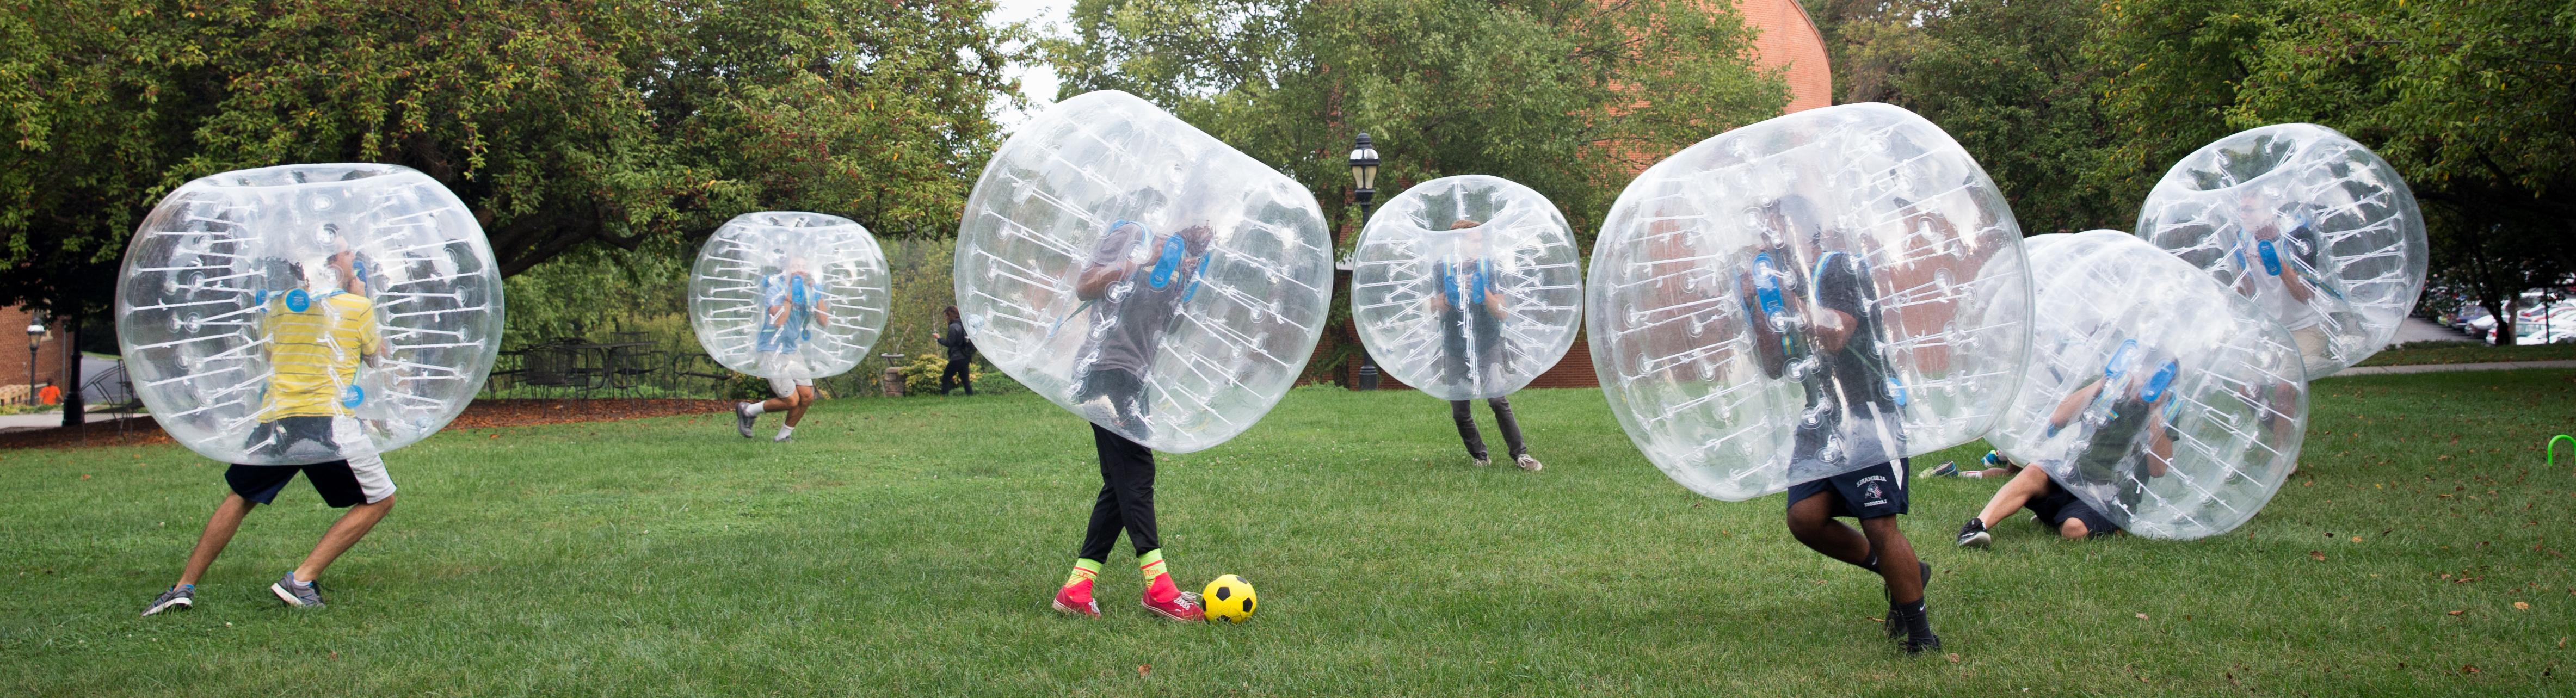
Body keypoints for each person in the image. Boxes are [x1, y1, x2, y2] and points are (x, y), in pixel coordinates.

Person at [145, 240, 392, 615]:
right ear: (329, 263)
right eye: (346, 253)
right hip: (328, 421)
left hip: (276, 417)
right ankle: (301, 579)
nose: (354, 257)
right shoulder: (357, 307)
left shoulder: (280, 306)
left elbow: (270, 356)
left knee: (239, 497)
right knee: (381, 499)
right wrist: (358, 294)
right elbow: (377, 358)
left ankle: (183, 586)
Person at [1754, 197, 1940, 654]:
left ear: (1800, 227)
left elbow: (1837, 335)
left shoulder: (1838, 269)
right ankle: (1906, 572)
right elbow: (1775, 365)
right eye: (1761, 227)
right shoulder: (1778, 287)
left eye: (1771, 224)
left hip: (1866, 411)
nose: (1764, 235)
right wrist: (1759, 308)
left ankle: (1920, 636)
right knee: (1805, 518)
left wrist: (1790, 296)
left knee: (1879, 523)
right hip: (1822, 414)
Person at [1049, 206, 1214, 622]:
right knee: (1137, 473)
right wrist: (1143, 260)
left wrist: (1183, 288)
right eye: (1205, 219)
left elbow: (1161, 328)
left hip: (1135, 378)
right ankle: (1160, 590)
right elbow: (1086, 286)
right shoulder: (1130, 235)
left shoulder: (1180, 259)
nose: (1208, 230)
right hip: (1105, 372)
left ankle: (1076, 589)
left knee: (1120, 482)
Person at [1957, 342, 2179, 547]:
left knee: (2074, 529)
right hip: (2073, 476)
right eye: (2142, 374)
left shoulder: (2165, 412)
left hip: (2112, 495)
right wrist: (2104, 383)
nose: (2142, 384)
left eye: (2154, 381)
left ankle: (2083, 519)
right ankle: (1976, 527)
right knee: (2035, 470)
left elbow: (2158, 470)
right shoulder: (2108, 388)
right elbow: (2058, 419)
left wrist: (2155, 413)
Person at [1429, 219, 1540, 472]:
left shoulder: (1489, 267)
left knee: (1497, 400)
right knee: (1460, 411)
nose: (1479, 245)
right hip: (1454, 345)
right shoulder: (1441, 269)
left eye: (1480, 240)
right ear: (1457, 243)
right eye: (1474, 240)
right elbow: (1434, 310)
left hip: (1489, 342)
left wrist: (1482, 290)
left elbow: (1502, 313)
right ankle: (1480, 455)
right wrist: (1449, 295)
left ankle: (1521, 454)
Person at [734, 256, 831, 442]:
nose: (800, 270)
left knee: (807, 396)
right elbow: (779, 321)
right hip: (772, 348)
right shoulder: (774, 290)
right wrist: (789, 297)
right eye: (795, 266)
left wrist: (817, 297)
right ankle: (748, 411)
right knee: (791, 400)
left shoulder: (809, 292)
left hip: (792, 349)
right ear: (786, 270)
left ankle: (783, 436)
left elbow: (824, 322)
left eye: (803, 266)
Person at [931, 305, 976, 396]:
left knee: (946, 378)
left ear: (950, 315)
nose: (946, 318)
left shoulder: (954, 327)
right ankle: (970, 395)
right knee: (965, 380)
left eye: (946, 316)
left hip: (957, 357)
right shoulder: (964, 325)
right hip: (966, 356)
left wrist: (939, 338)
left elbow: (949, 343)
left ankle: (944, 397)